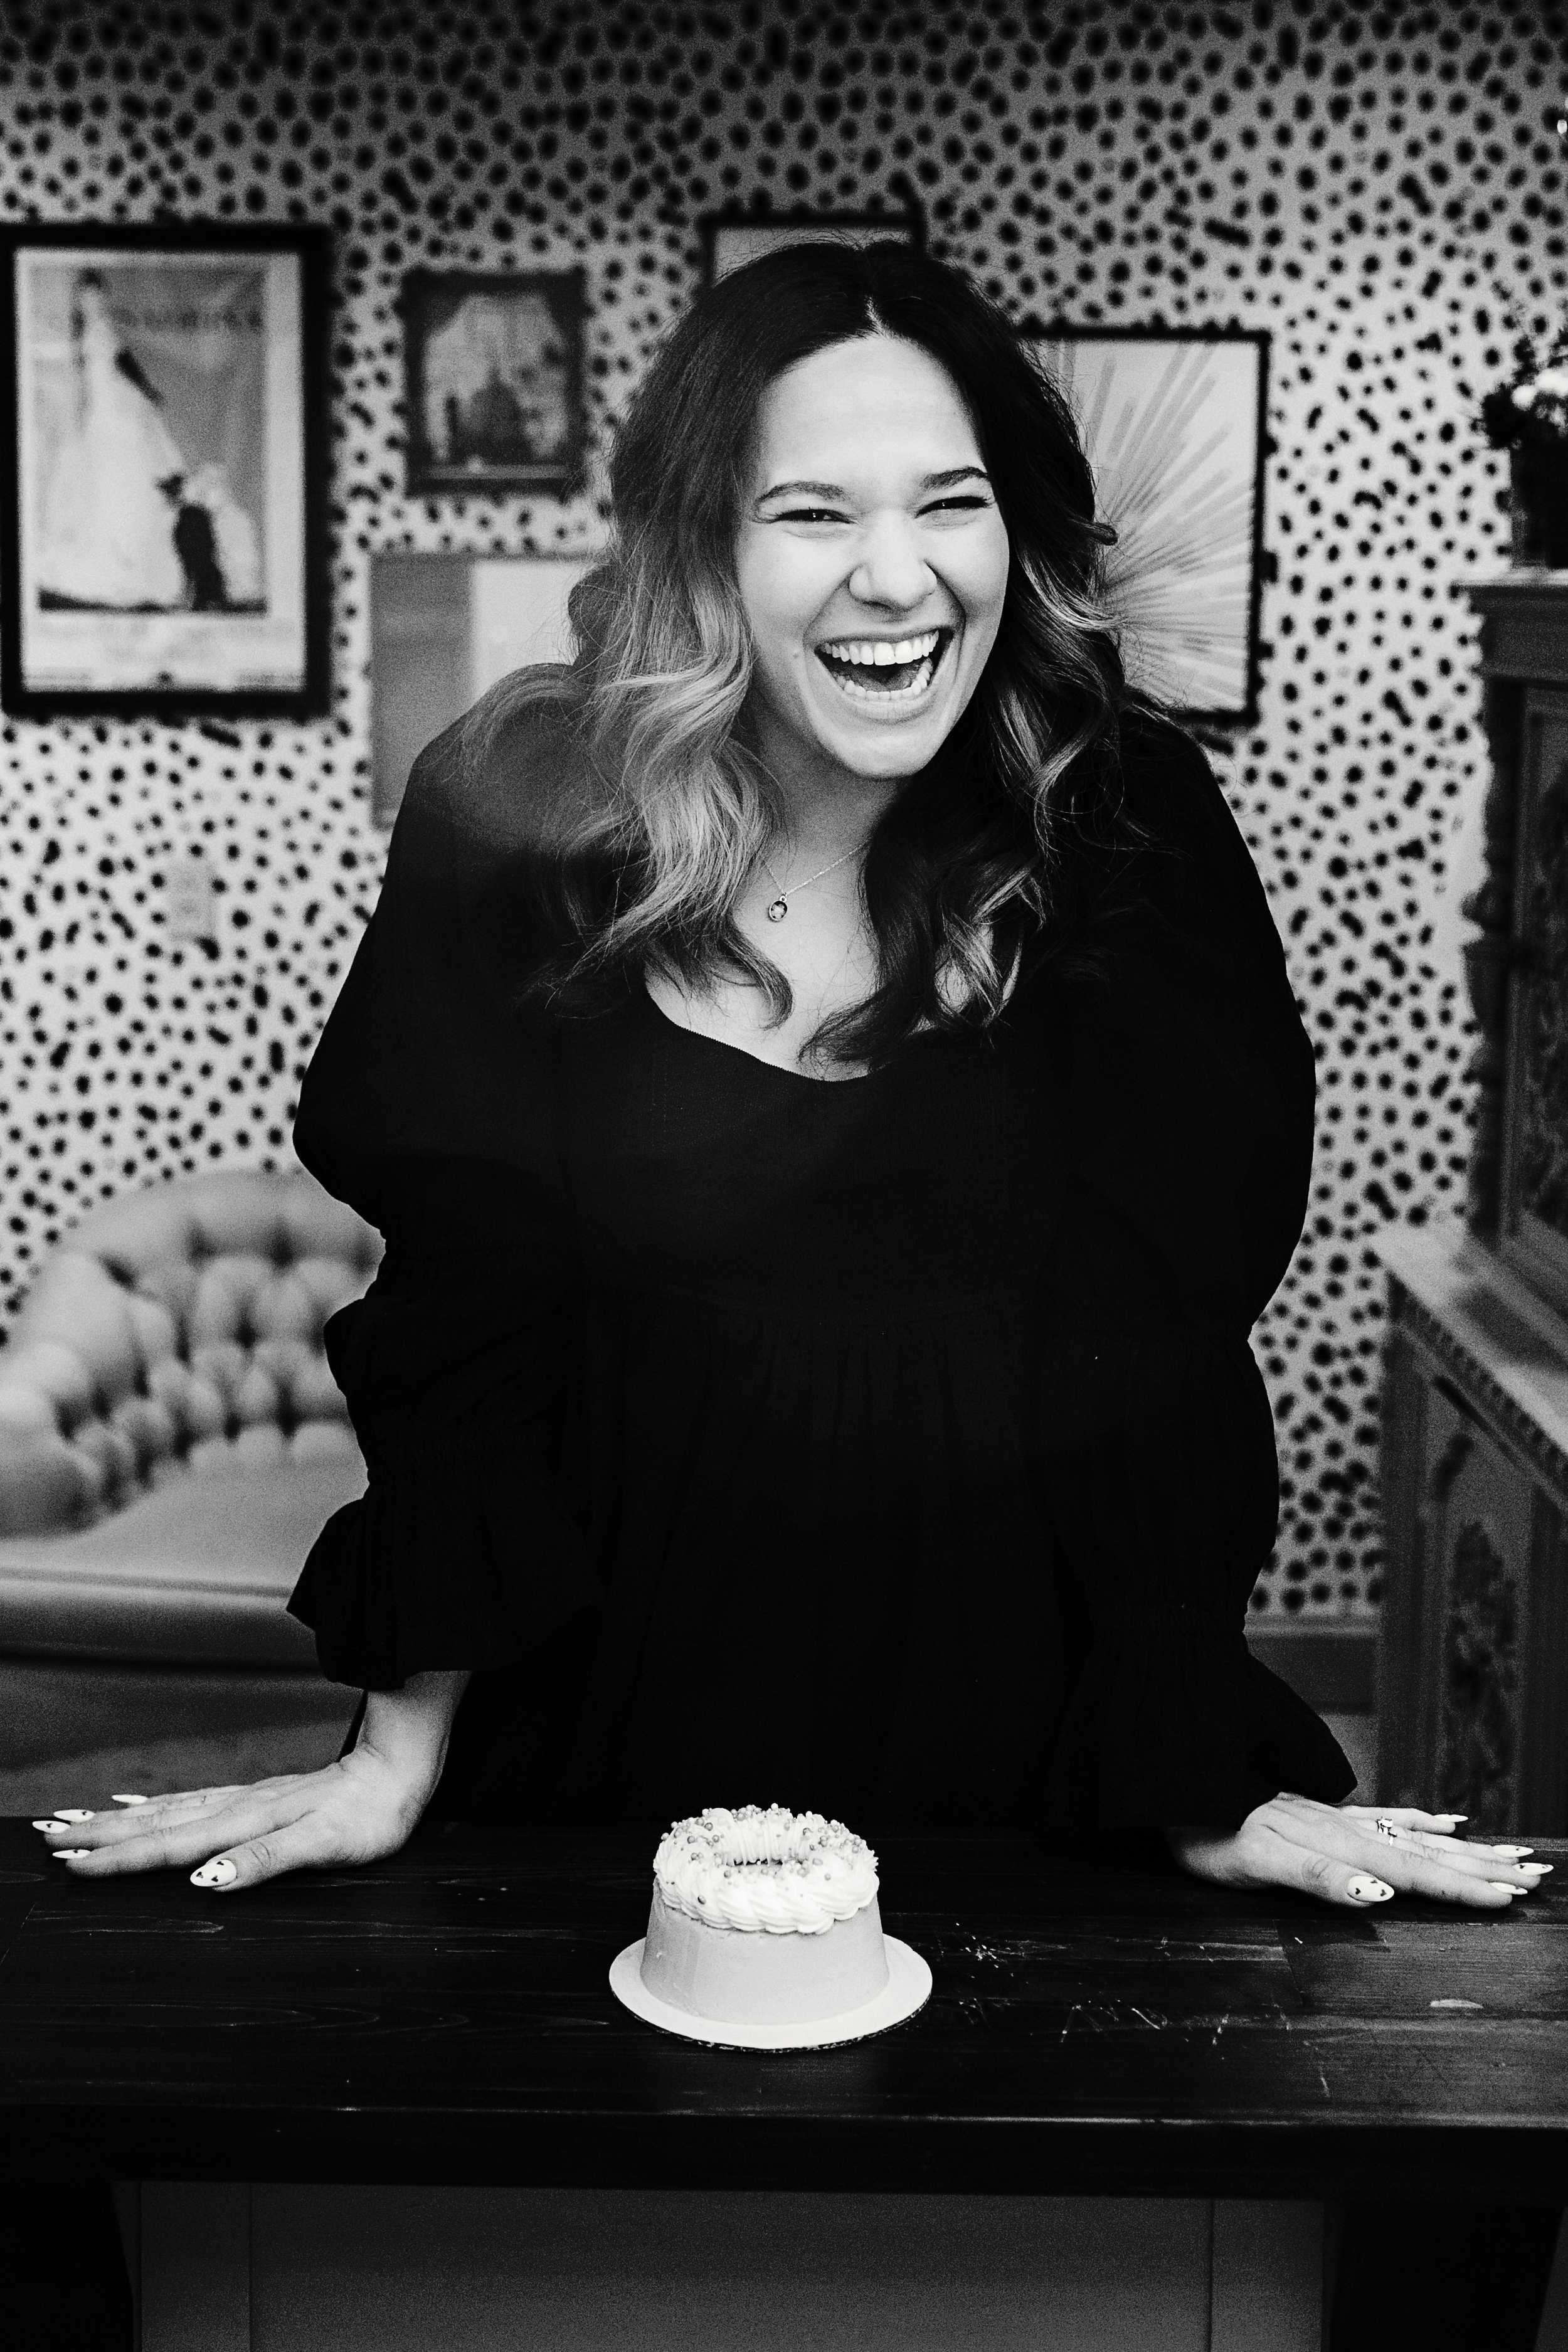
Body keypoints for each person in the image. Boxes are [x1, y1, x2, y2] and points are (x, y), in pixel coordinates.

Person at [34, 234, 1560, 2352]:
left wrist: (1185, 1763)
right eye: (813, 510)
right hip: (612, 1701)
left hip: (1026, 1736)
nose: (898, 576)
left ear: (1017, 535)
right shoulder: (521, 810)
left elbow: (1150, 1344)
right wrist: (402, 1744)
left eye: (950, 505)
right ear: (705, 548)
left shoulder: (1130, 832)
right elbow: (471, 1314)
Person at [34, 271, 188, 611]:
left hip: (115, 409)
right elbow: (87, 376)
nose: (90, 302)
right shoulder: (85, 334)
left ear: (100, 297)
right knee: (99, 482)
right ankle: (112, 564)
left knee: (125, 476)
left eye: (94, 295)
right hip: (100, 415)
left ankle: (134, 566)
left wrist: (146, 390)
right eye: (85, 297)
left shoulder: (104, 328)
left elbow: (123, 361)